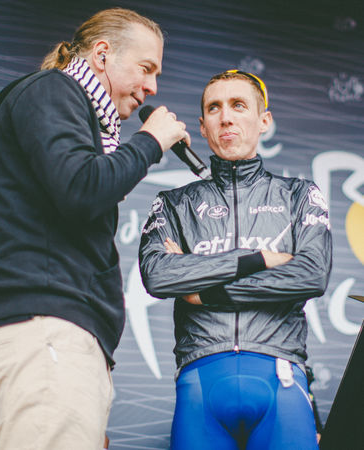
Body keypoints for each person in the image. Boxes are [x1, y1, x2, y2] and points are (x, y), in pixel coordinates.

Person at [0, 7, 190, 450]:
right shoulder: (53, 91)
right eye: (146, 68)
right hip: (47, 333)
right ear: (102, 55)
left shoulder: (78, 116)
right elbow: (82, 188)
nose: (152, 87)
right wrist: (150, 141)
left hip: (57, 342)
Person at [139, 70, 332, 449]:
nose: (226, 117)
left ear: (264, 120)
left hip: (280, 377)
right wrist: (257, 259)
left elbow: (311, 274)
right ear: (202, 126)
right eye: (214, 108)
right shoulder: (174, 203)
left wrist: (205, 292)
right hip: (200, 382)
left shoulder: (299, 195)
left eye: (238, 105)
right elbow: (159, 276)